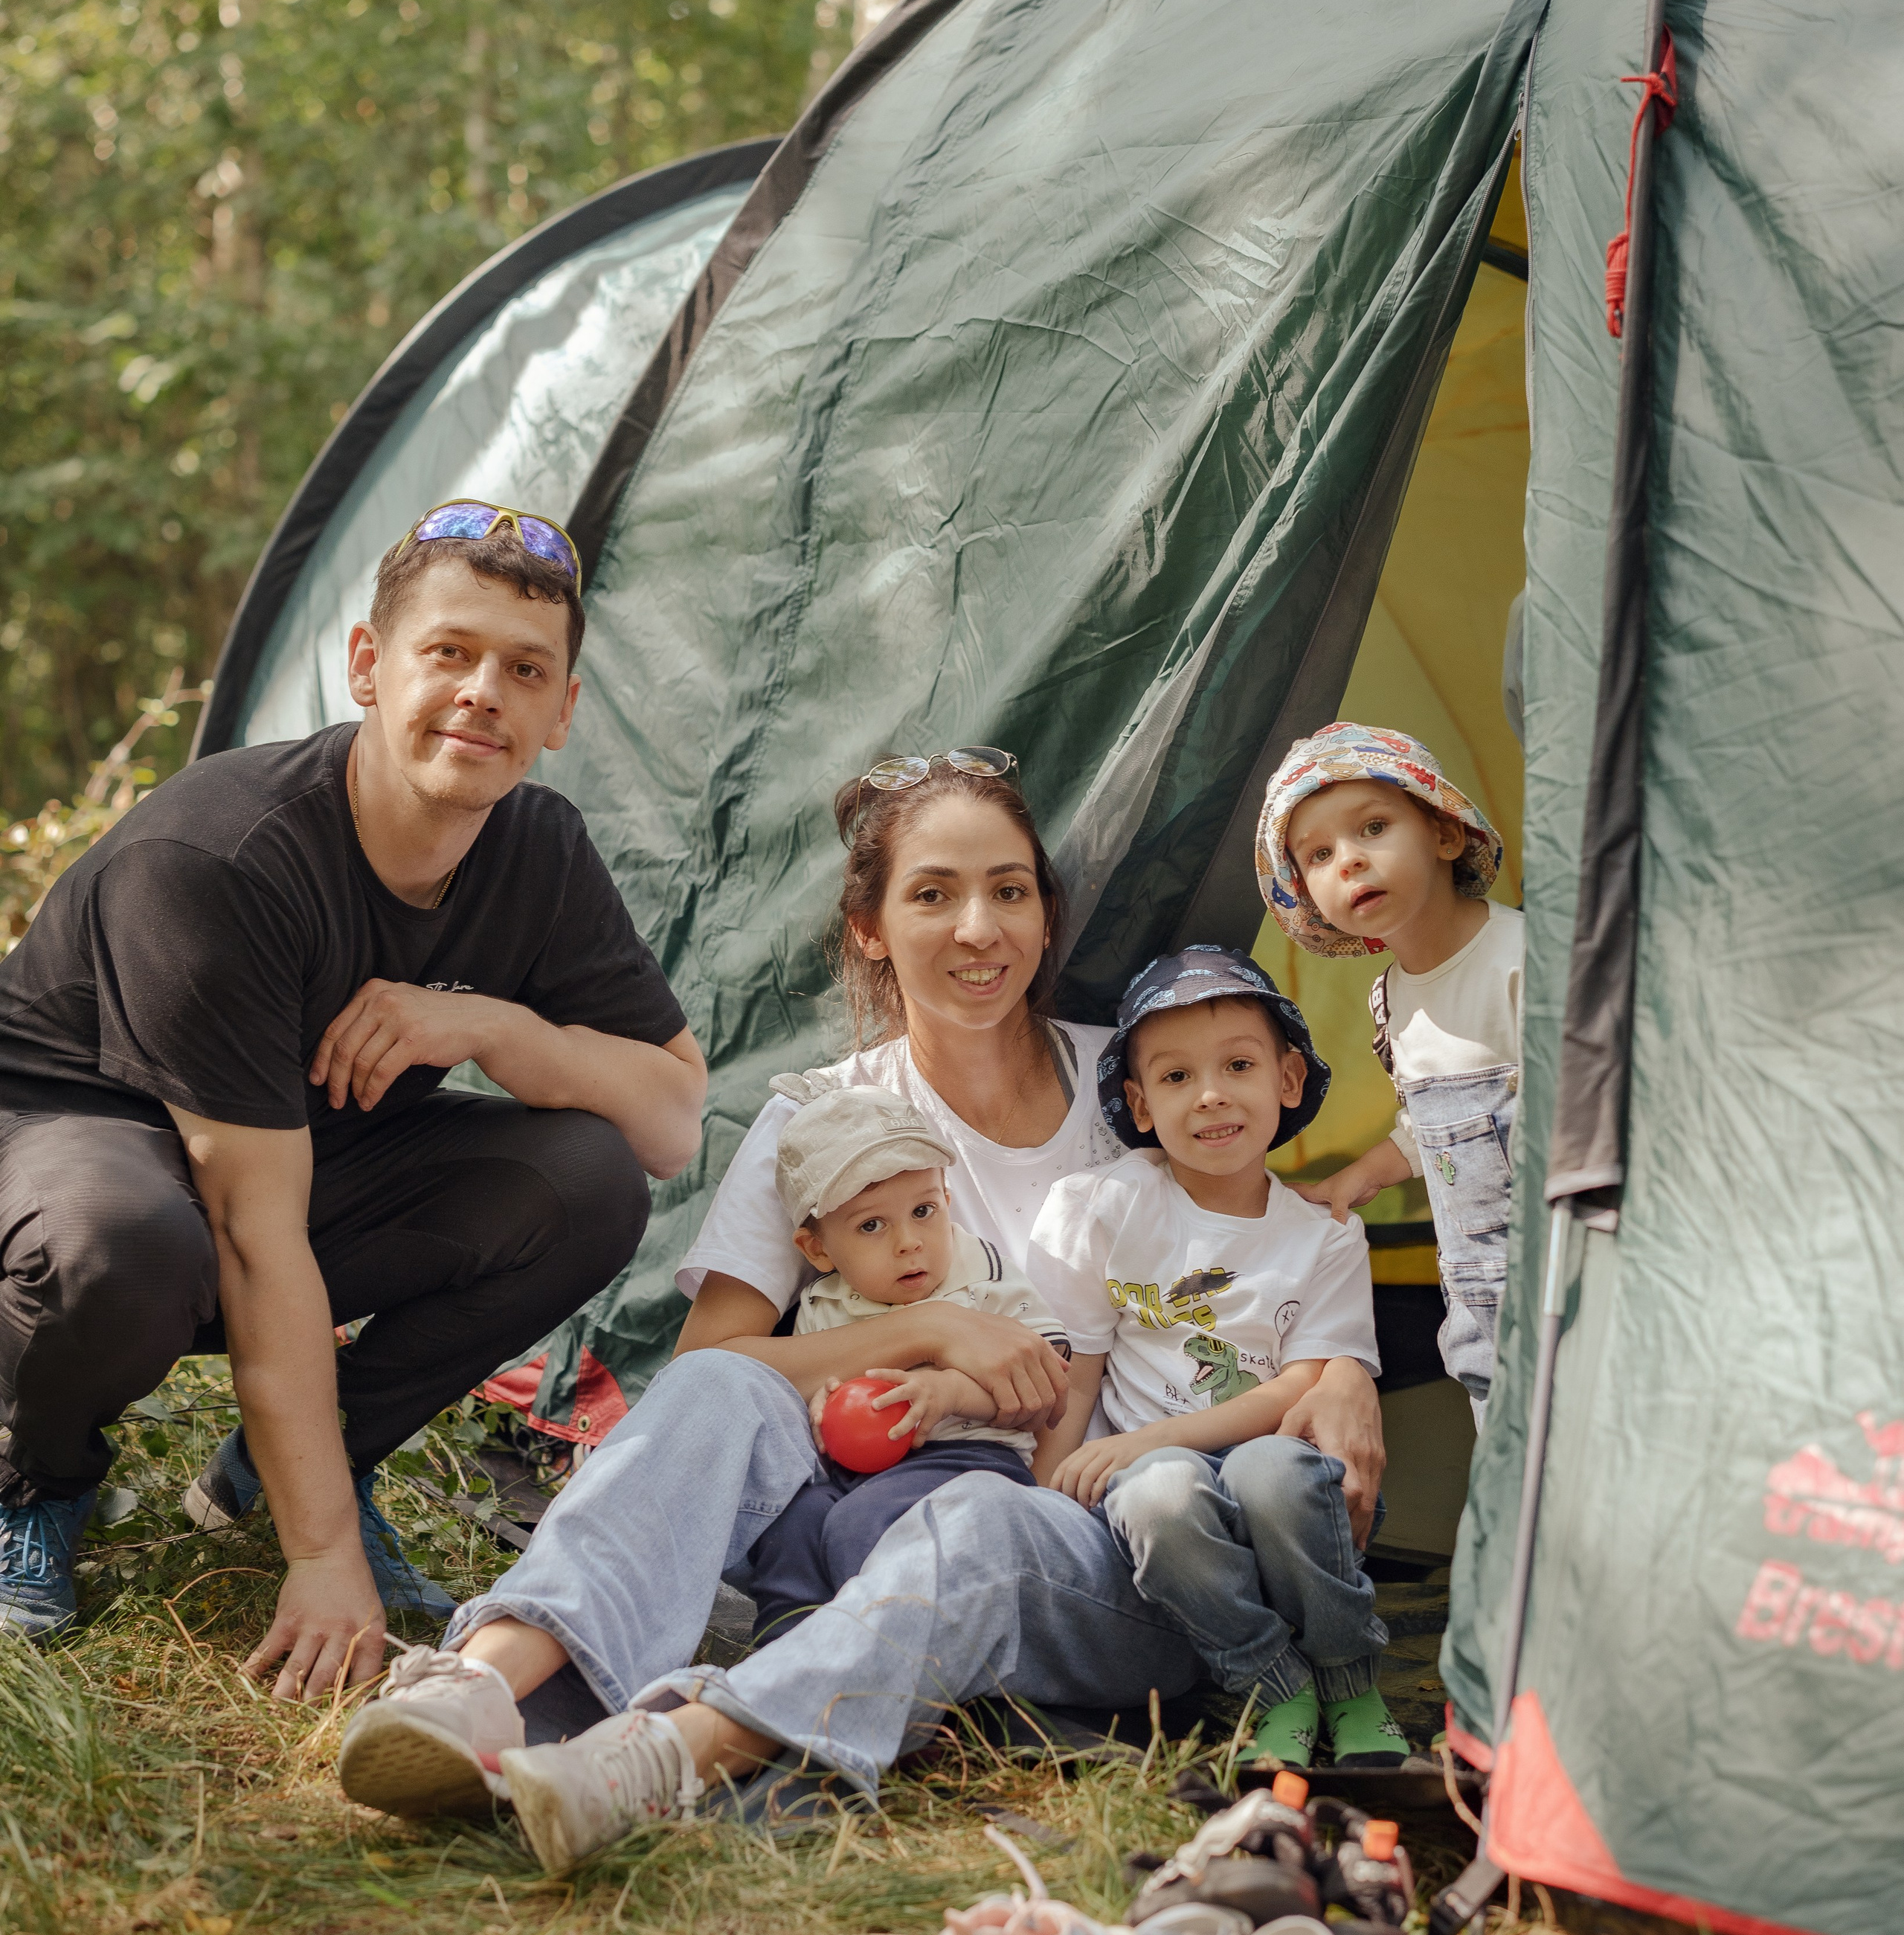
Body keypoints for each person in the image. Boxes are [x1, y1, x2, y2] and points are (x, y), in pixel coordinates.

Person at [336, 750, 1388, 1870]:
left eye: (1010, 891)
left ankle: (674, 1753)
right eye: (934, 894)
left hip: (1104, 1543)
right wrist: (928, 1331)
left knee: (982, 1523)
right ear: (870, 929)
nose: (979, 928)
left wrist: (1347, 1371)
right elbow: (713, 1365)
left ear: (1045, 917)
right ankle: (485, 1682)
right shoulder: (823, 1118)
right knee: (720, 1383)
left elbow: (1271, 1242)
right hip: (856, 1512)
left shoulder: (1148, 1080)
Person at [0, 501, 706, 1692]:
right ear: (370, 668)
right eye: (451, 652)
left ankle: (264, 1475)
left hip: (297, 1158)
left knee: (585, 1182)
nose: (485, 692)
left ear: (564, 711)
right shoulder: (223, 861)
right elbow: (252, 1231)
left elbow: (670, 1120)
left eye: (525, 670)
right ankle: (37, 1476)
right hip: (85, 1135)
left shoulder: (538, 850)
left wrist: (490, 1024)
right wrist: (322, 1557)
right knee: (124, 1245)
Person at [1029, 946, 1403, 1771]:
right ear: (1137, 1101)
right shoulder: (1110, 1207)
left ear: (1289, 1079)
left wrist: (1151, 1438)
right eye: (1174, 1078)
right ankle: (1275, 1685)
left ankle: (1349, 1679)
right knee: (1161, 1492)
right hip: (1160, 1491)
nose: (1210, 1096)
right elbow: (1081, 1361)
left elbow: (1307, 1381)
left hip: (1277, 1473)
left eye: (1238, 1064)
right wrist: (1044, 1493)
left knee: (1269, 1469)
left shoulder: (1322, 1235)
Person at [1255, 722, 1520, 1419]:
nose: (1349, 860)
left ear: (1444, 834)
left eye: (1373, 827)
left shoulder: (1521, 960)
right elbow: (1432, 1125)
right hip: (1477, 1312)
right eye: (1318, 853)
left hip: (1568, 1288)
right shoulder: (1392, 997)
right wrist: (1360, 1175)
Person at [745, 1076, 1068, 1642]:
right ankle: (785, 1644)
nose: (908, 1242)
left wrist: (946, 1395)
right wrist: (819, 1408)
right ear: (817, 1249)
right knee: (794, 1523)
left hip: (966, 1459)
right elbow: (814, 1382)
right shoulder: (823, 1301)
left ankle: (890, 1656)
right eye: (872, 1225)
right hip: (852, 1470)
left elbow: (1049, 1370)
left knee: (862, 1525)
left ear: (947, 1199)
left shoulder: (981, 1274)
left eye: (923, 1210)